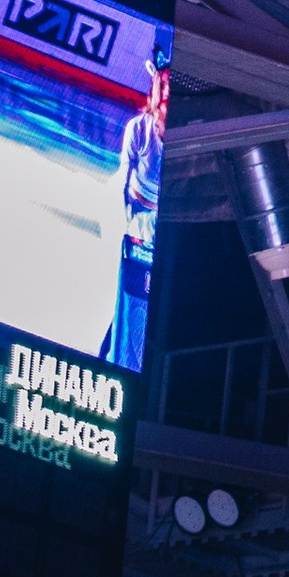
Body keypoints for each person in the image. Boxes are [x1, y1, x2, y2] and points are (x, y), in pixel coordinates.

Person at [101, 38, 166, 370]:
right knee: (126, 289)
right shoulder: (139, 130)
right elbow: (123, 179)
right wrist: (123, 227)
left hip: (159, 222)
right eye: (162, 89)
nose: (166, 97)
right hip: (135, 215)